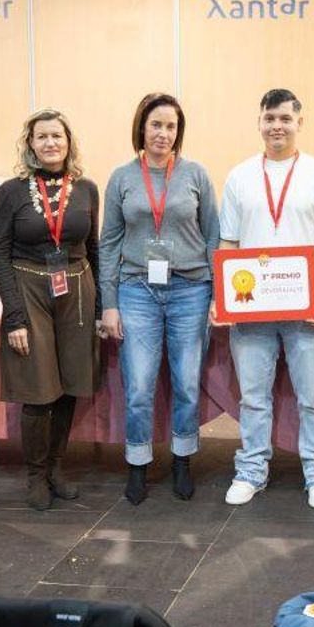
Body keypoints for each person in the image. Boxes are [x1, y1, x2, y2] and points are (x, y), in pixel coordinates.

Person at [217, 89, 314, 510]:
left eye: (285, 118)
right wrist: (224, 297)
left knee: (313, 397)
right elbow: (229, 242)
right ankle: (251, 470)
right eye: (270, 118)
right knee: (253, 397)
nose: (277, 126)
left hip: (305, 310)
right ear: (260, 122)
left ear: (299, 123)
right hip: (252, 309)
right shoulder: (239, 177)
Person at [98, 92, 221, 505]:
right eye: (156, 125)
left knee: (186, 383)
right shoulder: (121, 177)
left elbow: (213, 237)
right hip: (137, 291)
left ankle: (182, 459)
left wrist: (218, 296)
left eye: (171, 126)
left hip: (191, 289)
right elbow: (109, 243)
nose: (163, 133)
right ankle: (138, 463)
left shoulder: (196, 174)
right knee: (138, 386)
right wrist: (109, 303)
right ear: (142, 127)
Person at [0, 109, 100, 511]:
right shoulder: (11, 191)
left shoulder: (87, 189)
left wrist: (100, 308)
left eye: (57, 136)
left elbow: (94, 249)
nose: (51, 143)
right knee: (38, 392)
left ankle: (56, 468)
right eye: (42, 137)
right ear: (31, 144)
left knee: (70, 386)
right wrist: (14, 317)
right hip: (28, 290)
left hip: (77, 291)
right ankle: (35, 475)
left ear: (68, 142)